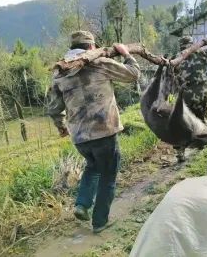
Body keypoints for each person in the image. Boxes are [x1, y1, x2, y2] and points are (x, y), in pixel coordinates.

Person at [47, 31, 140, 233]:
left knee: (92, 166)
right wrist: (126, 53)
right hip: (104, 132)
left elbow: (53, 108)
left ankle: (82, 204)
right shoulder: (100, 63)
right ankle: (100, 222)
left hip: (80, 137)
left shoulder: (59, 72)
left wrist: (62, 127)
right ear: (92, 47)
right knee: (108, 175)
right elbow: (133, 74)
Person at [173, 36, 207, 162]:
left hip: (185, 97)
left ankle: (180, 152)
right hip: (202, 95)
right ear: (192, 44)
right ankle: (203, 147)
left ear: (180, 46)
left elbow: (170, 77)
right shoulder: (203, 53)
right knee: (201, 121)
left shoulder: (176, 58)